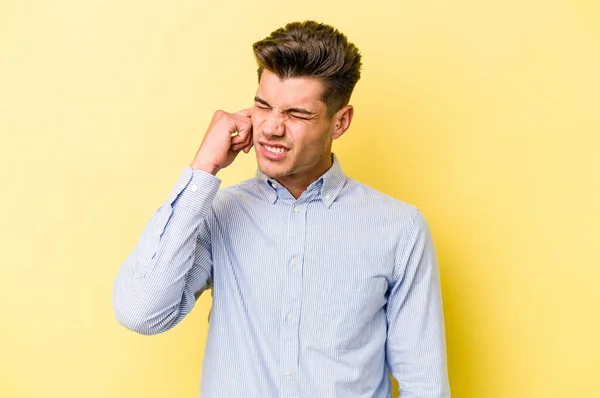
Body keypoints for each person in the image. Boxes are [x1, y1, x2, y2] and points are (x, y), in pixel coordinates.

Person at [112, 20, 450, 398]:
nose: (271, 127)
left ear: (340, 122)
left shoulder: (399, 228)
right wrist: (203, 168)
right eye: (262, 105)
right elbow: (141, 312)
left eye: (297, 114)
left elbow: (425, 385)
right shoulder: (217, 214)